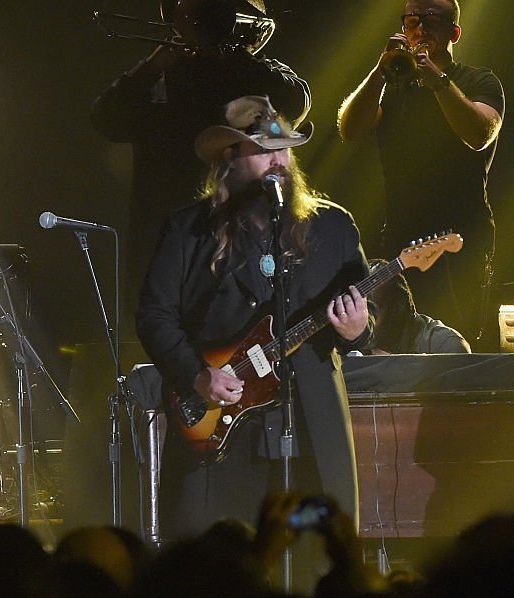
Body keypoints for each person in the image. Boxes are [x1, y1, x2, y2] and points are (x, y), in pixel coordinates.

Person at [137, 95, 372, 543]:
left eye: (284, 149)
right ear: (231, 157)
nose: (279, 160)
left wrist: (357, 329)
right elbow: (154, 315)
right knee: (214, 559)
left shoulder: (333, 227)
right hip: (221, 418)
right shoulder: (189, 230)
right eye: (264, 150)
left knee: (319, 552)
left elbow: (365, 316)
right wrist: (196, 375)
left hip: (309, 419)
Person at [91, 0, 311, 318]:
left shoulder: (246, 68)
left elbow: (295, 106)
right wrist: (152, 67)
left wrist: (237, 56)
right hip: (163, 236)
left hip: (239, 237)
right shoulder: (157, 71)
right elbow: (105, 120)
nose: (199, 16)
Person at [338, 0, 503, 348]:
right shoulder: (395, 83)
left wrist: (438, 82)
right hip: (402, 234)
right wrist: (379, 71)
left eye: (432, 22)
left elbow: (480, 135)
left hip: (463, 238)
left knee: (458, 341)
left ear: (454, 32)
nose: (420, 30)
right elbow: (350, 129)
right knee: (396, 341)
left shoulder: (478, 79)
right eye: (412, 21)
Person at [364, 258, 471, 353]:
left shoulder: (444, 346)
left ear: (398, 308)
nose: (359, 321)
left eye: (370, 311)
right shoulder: (352, 347)